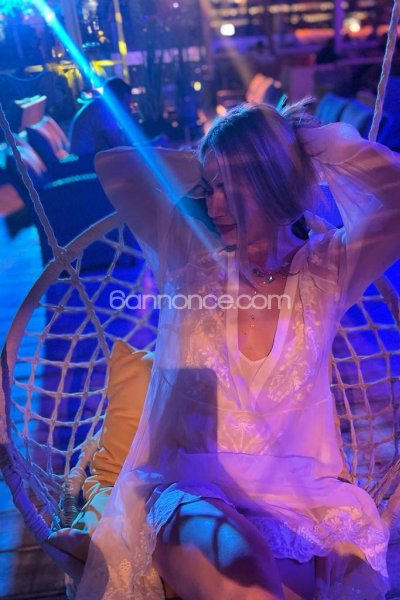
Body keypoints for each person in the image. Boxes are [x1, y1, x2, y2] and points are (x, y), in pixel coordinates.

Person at [75, 101, 400, 599]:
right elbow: (116, 168)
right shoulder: (190, 262)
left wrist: (305, 145)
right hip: (193, 493)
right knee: (241, 573)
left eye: (229, 186)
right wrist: (222, 150)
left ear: (271, 178)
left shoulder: (329, 269)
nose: (213, 205)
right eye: (210, 188)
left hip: (298, 505)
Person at [69, 77, 134, 158]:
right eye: (127, 103)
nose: (129, 107)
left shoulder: (98, 106)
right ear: (116, 100)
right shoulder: (103, 110)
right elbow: (118, 145)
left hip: (87, 158)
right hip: (87, 160)